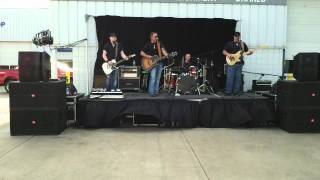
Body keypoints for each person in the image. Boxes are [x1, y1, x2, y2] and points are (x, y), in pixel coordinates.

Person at [140, 32, 168, 96]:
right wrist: (149, 56)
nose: (157, 38)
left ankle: (155, 92)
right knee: (153, 78)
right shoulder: (147, 44)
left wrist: (167, 55)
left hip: (159, 63)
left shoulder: (159, 43)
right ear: (151, 37)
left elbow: (163, 50)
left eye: (157, 36)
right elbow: (141, 53)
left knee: (158, 78)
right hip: (152, 63)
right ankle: (151, 93)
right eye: (155, 36)